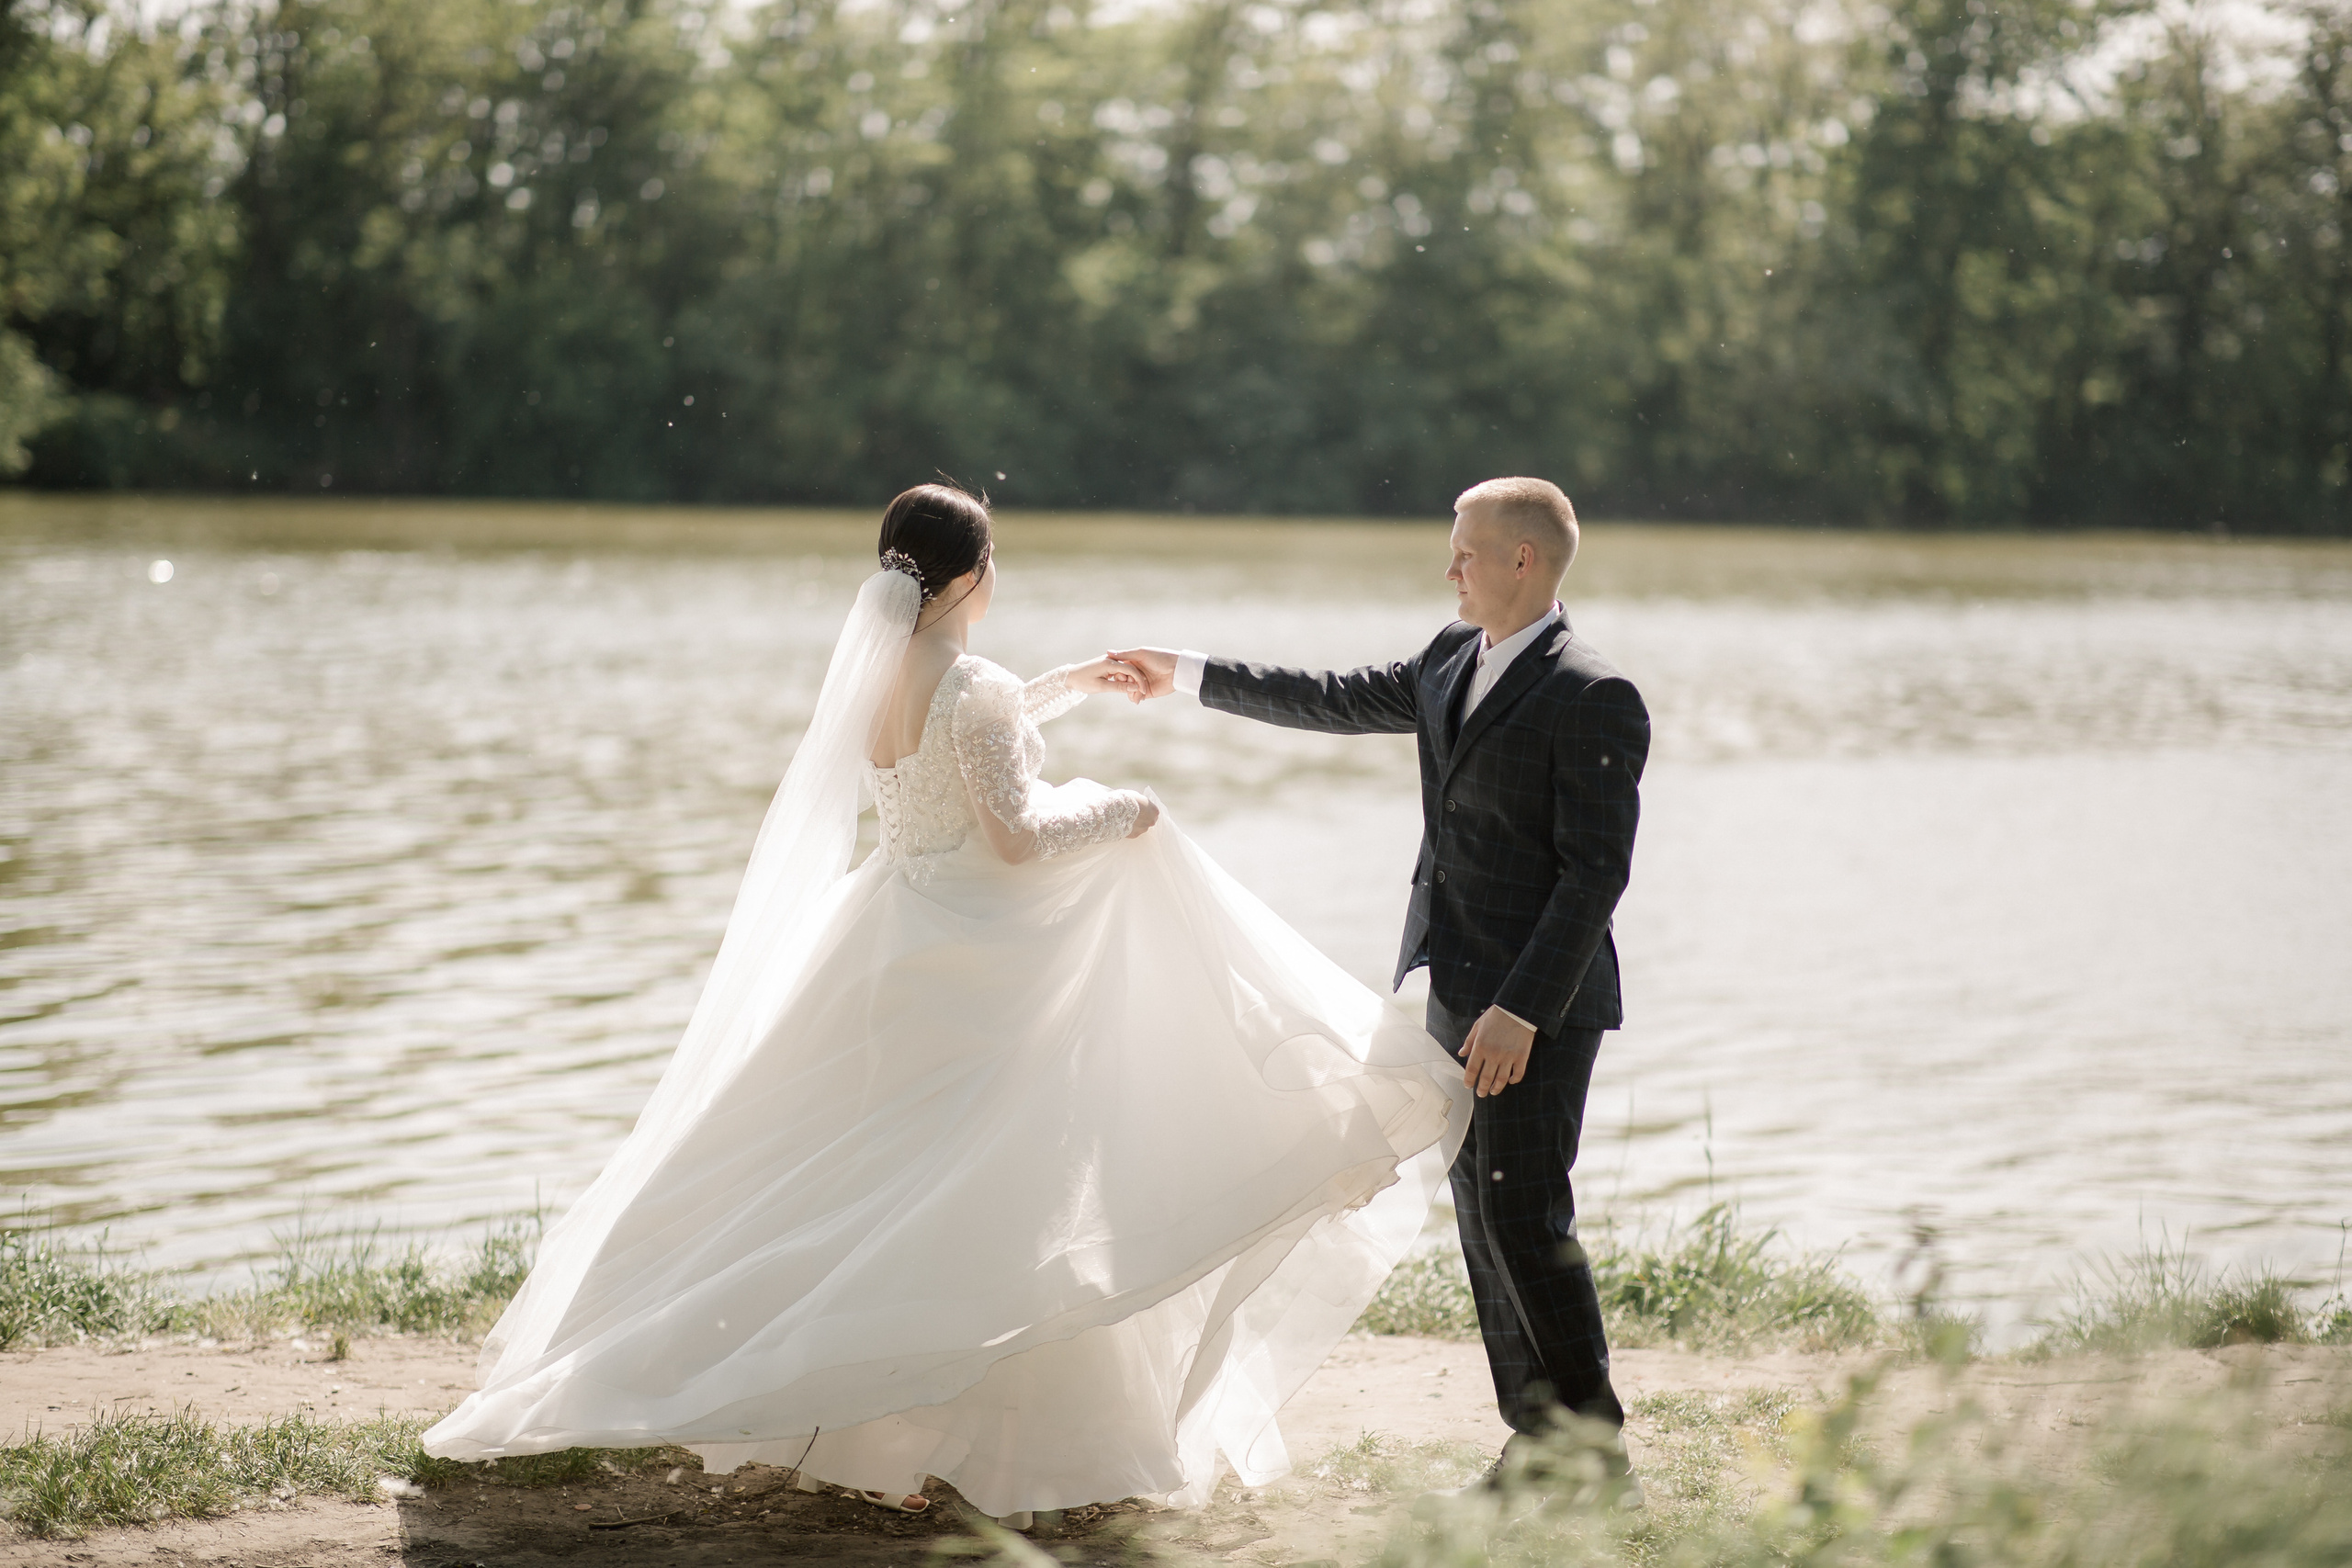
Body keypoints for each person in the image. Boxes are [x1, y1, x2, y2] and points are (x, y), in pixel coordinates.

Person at [423, 483, 1471, 1528]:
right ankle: (987, 1433)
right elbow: (1012, 833)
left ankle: (824, 1401)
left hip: (892, 930)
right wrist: (1124, 809)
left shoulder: (879, 673)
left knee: (870, 1178)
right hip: (984, 954)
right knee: (992, 1189)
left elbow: (950, 753)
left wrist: (1052, 691)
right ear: (973, 574)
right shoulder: (976, 685)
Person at [1114, 476, 1649, 1504]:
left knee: (1528, 1218)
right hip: (1456, 991)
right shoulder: (1451, 656)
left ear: (1522, 561)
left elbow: (1595, 876)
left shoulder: (1593, 693)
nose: (1447, 566)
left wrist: (1523, 1009)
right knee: (1480, 1221)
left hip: (1539, 1009)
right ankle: (1536, 1440)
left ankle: (1596, 1455)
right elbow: (1327, 695)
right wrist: (1180, 673)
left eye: (1464, 550)